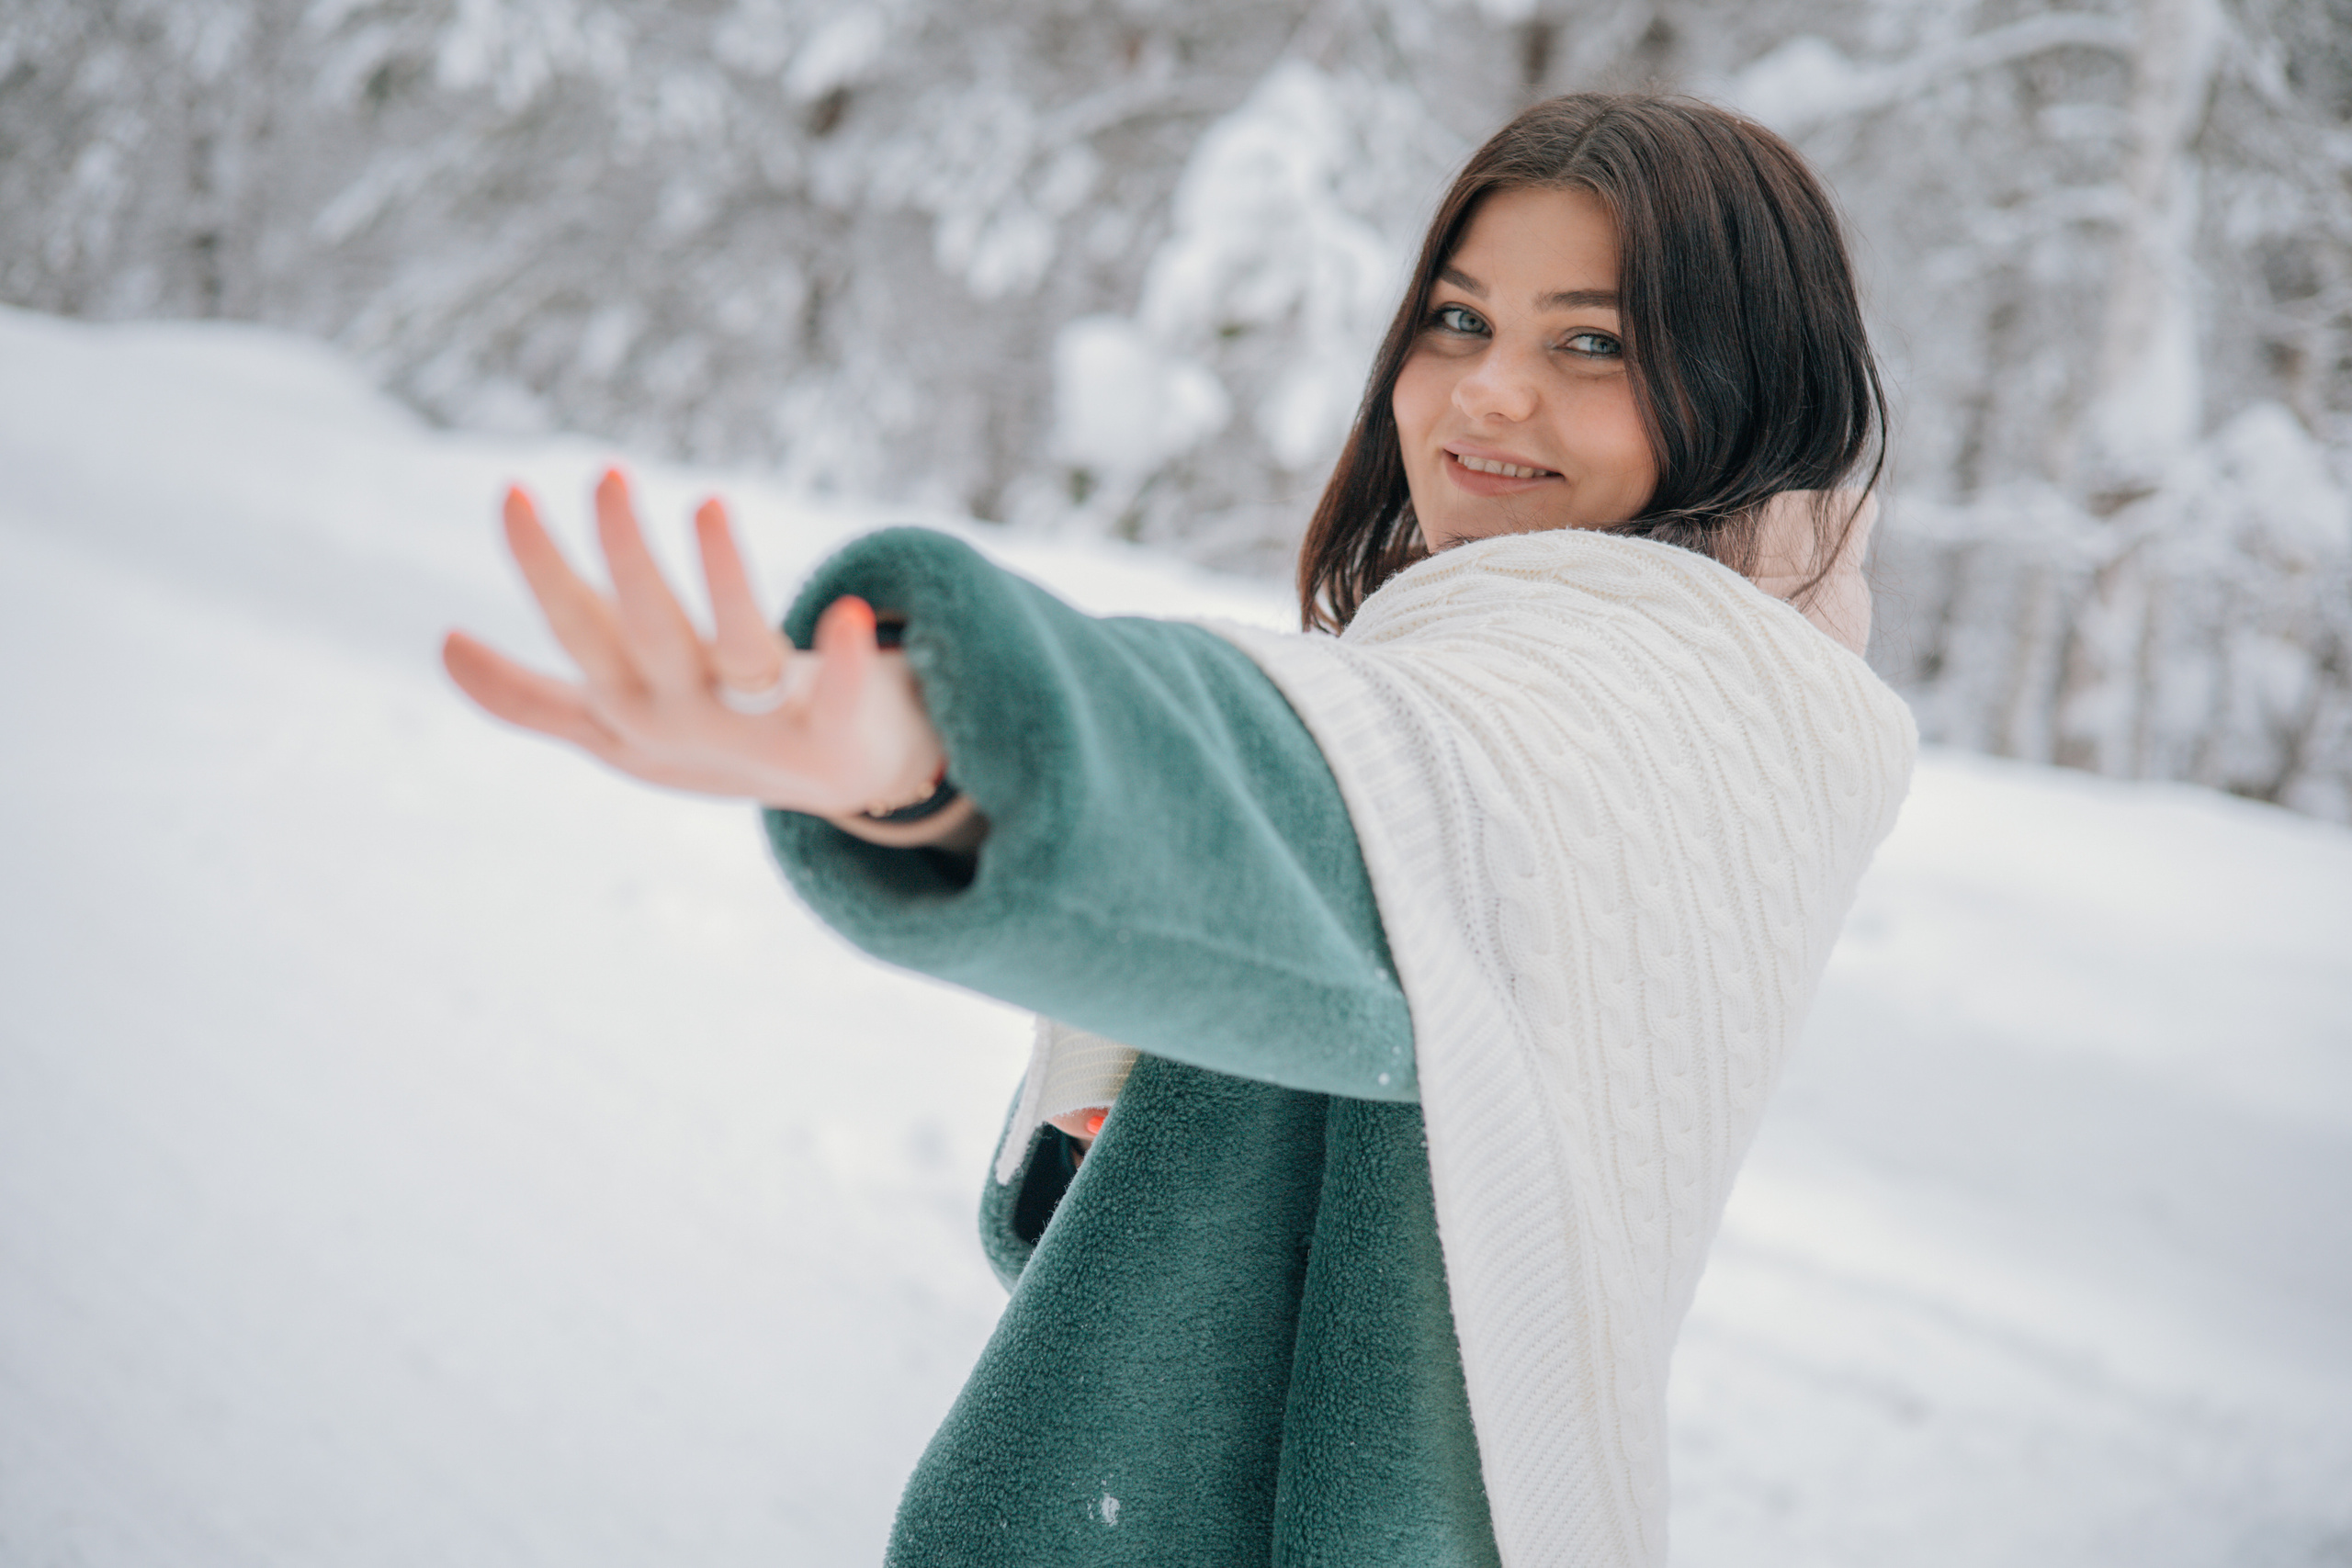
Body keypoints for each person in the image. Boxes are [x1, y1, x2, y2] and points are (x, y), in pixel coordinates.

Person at [445, 94, 1916, 1568]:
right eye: (1459, 322)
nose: (1486, 395)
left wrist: (943, 733)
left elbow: (1335, 808)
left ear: (1743, 387)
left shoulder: (1640, 700)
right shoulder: (1674, 683)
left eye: (1589, 343)